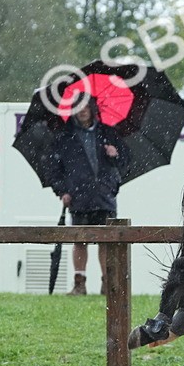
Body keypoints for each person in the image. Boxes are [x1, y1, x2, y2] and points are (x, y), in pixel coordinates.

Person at [44, 94, 130, 295]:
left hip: (104, 196)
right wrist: (63, 191)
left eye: (85, 106)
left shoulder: (108, 133)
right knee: (79, 240)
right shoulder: (65, 138)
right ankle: (79, 284)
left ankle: (107, 284)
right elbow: (54, 169)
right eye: (78, 107)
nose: (82, 110)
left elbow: (125, 161)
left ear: (92, 109)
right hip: (78, 197)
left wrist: (115, 154)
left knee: (106, 241)